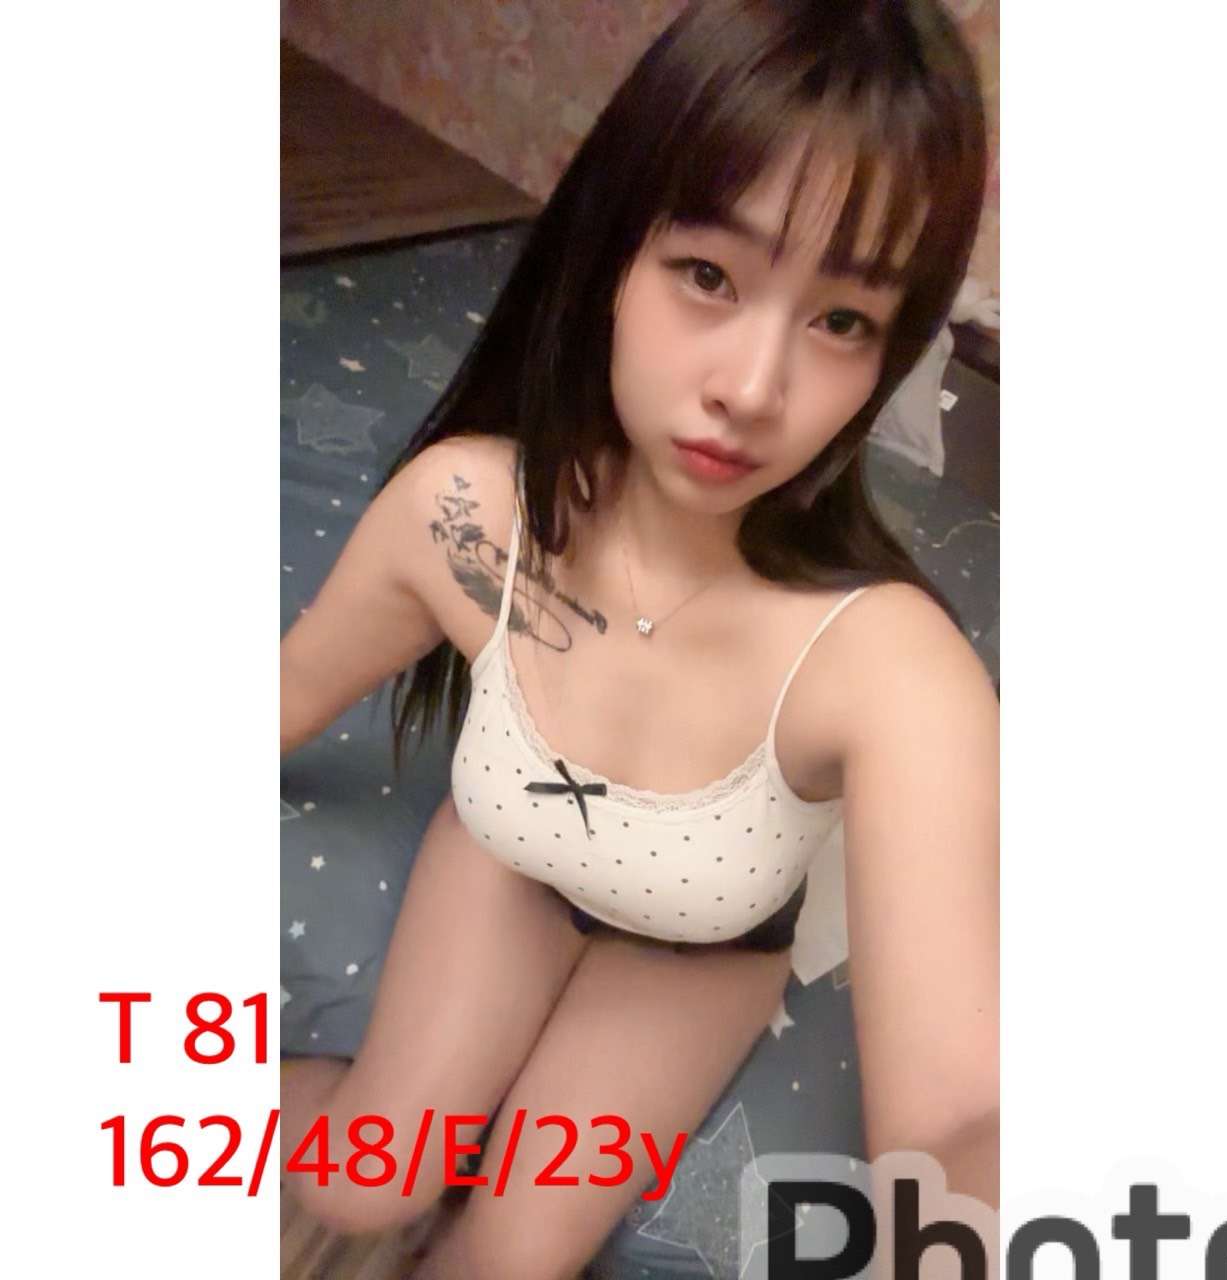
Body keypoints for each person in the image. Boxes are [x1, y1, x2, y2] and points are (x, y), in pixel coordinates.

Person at [279, 0, 999, 1274]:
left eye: (841, 321)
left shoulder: (893, 668)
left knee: (507, 1259)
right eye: (708, 275)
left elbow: (953, 1118)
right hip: (512, 864)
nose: (751, 389)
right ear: (612, 250)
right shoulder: (462, 515)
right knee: (361, 1181)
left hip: (695, 950)